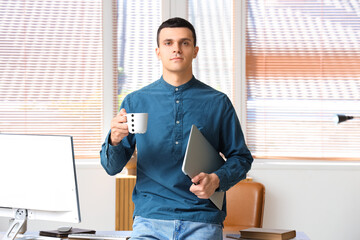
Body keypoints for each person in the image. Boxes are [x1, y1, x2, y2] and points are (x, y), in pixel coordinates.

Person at [100, 17, 253, 240]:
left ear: (195, 51)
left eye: (184, 43)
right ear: (158, 51)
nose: (176, 49)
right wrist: (114, 140)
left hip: (201, 220)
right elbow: (112, 168)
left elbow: (242, 158)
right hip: (150, 220)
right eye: (168, 43)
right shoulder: (135, 102)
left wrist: (217, 180)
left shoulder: (218, 102)